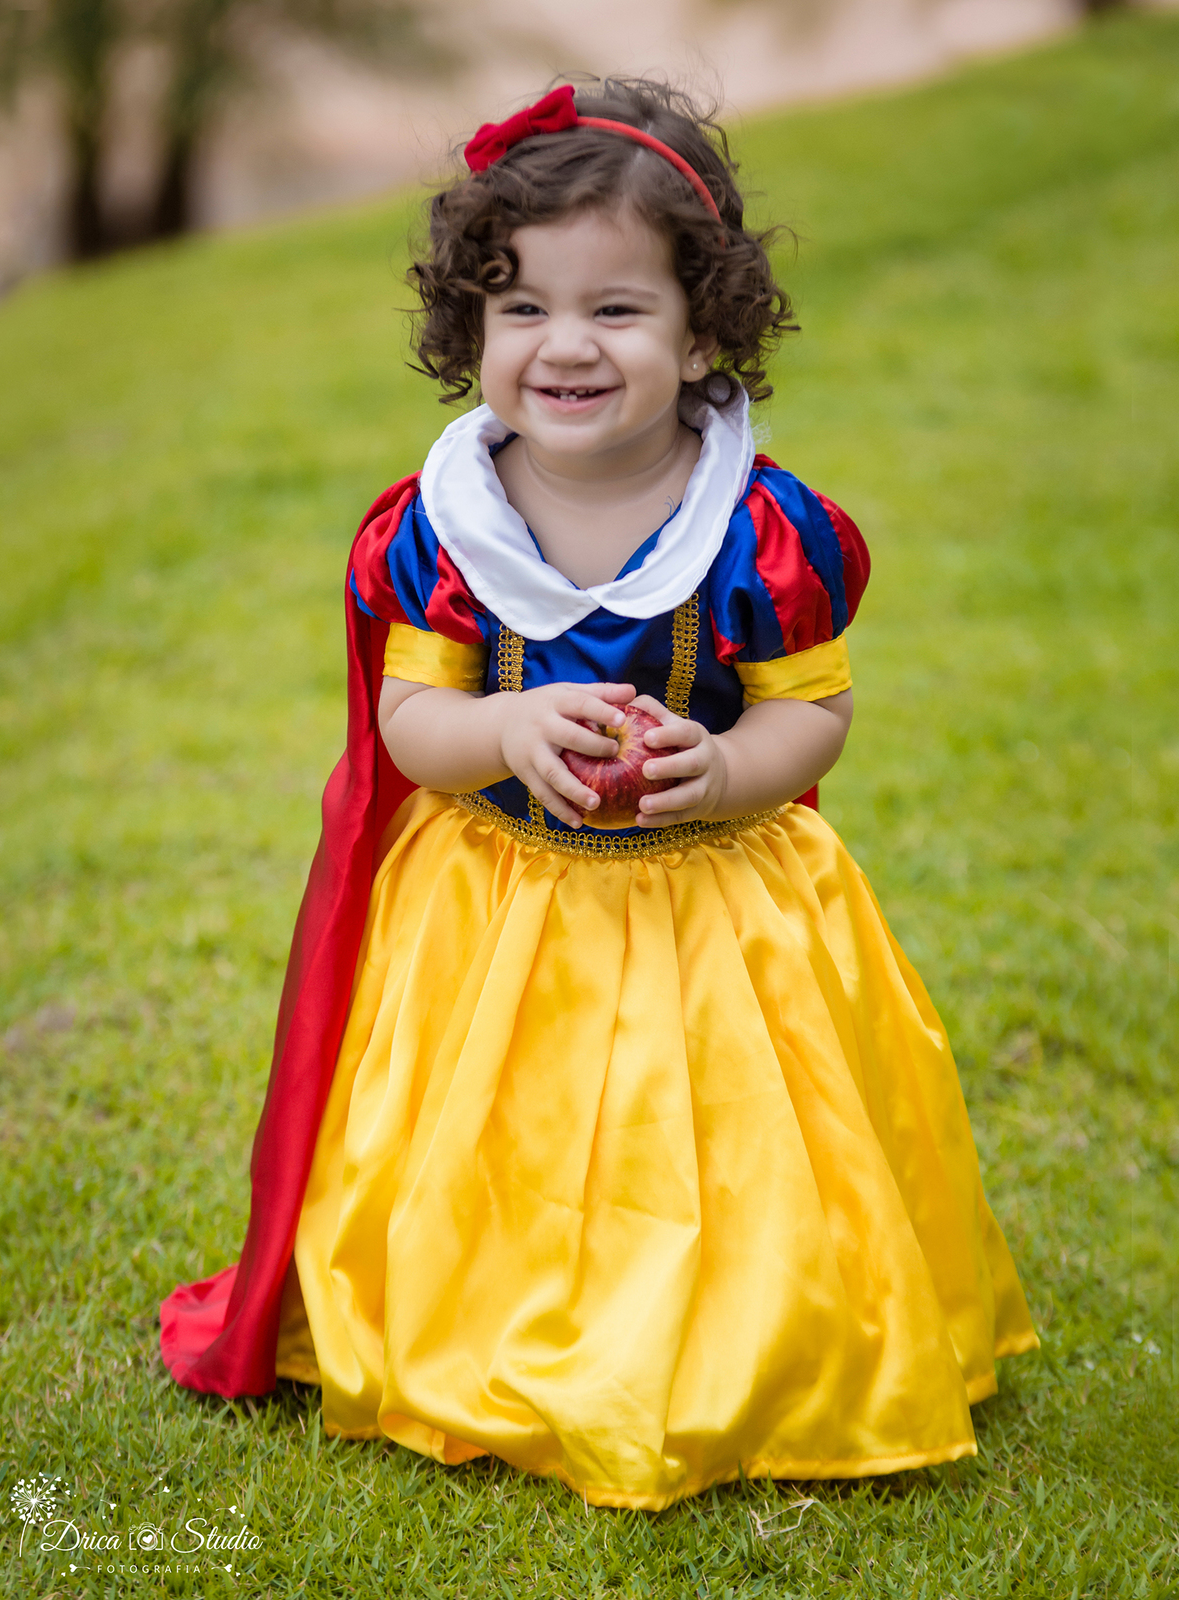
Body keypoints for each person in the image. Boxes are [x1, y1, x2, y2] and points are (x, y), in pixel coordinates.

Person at [160, 79, 1037, 1510]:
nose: (564, 346)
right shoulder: (448, 522)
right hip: (495, 915)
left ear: (703, 331)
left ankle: (744, 1344)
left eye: (616, 310)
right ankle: (488, 1323)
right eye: (520, 309)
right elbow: (411, 721)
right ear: (471, 332)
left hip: (714, 912)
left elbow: (813, 714)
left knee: (723, 1152)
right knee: (499, 1146)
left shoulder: (754, 524)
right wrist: (502, 726)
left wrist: (729, 771)